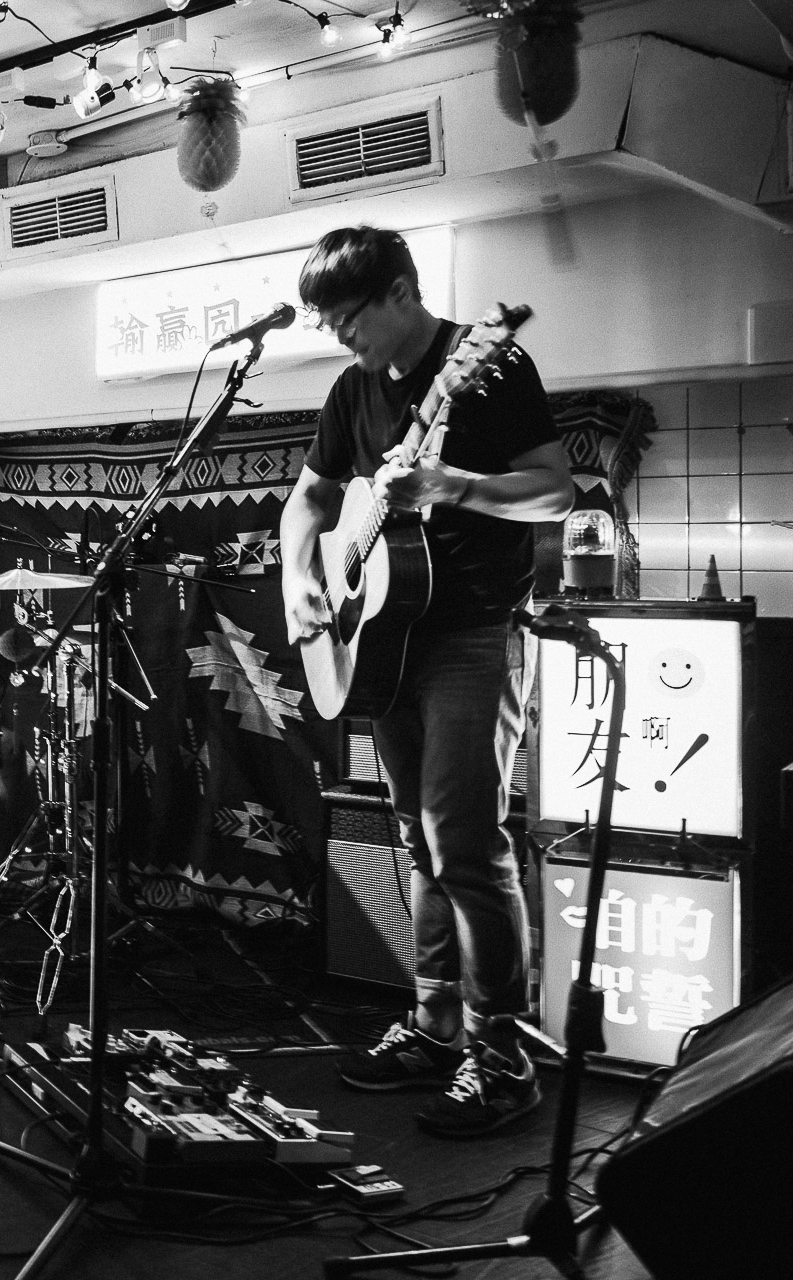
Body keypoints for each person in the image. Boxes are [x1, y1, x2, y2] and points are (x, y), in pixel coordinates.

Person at [279, 228, 573, 1137]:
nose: (339, 336)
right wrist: (303, 579)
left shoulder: (489, 367)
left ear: (402, 292)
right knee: (416, 838)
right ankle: (436, 1024)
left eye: (347, 316)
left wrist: (453, 486)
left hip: (474, 634)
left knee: (466, 846)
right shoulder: (352, 390)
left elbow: (556, 492)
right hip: (386, 641)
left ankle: (501, 1055)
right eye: (327, 322)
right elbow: (310, 499)